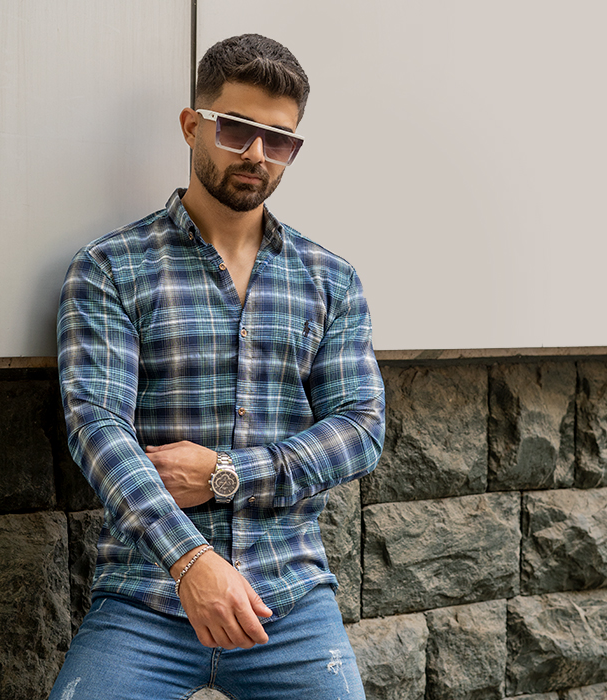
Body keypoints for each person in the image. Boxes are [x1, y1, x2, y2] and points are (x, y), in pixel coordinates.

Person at [50, 33, 385, 700]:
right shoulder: (111, 267)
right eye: (236, 129)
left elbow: (361, 428)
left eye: (279, 140)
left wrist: (227, 474)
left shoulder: (330, 280)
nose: (257, 153)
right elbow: (98, 429)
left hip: (289, 598)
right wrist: (191, 560)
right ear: (192, 126)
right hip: (147, 593)